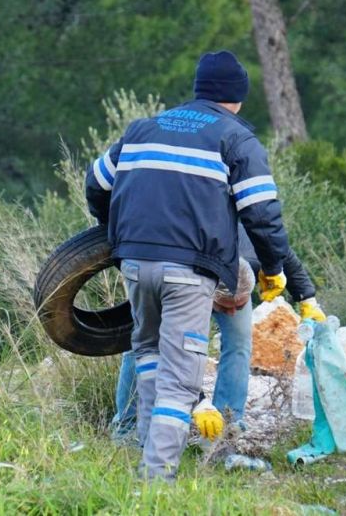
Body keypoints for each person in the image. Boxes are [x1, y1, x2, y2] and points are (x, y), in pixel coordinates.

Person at [85, 50, 291, 481]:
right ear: (238, 97)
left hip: (136, 264)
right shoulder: (236, 139)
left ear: (199, 89)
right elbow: (262, 215)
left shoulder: (143, 128)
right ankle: (156, 481)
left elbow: (96, 182)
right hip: (190, 272)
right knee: (181, 381)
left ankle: (140, 451)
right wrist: (273, 268)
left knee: (147, 353)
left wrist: (116, 231)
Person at [111, 222, 326, 443]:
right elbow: (174, 351)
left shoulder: (254, 258)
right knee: (142, 343)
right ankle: (127, 428)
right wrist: (200, 402)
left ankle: (226, 430)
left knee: (240, 343)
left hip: (228, 259)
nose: (232, 313)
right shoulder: (182, 282)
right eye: (225, 308)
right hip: (179, 265)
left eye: (240, 305)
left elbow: (284, 253)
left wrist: (308, 299)